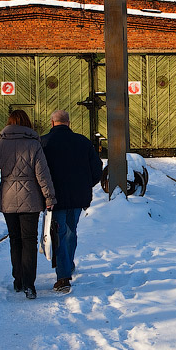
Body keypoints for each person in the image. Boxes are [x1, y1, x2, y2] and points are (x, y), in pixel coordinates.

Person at [0, 109, 56, 299]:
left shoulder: (0, 144)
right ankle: (29, 284)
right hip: (31, 199)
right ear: (27, 124)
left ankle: (18, 280)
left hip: (8, 198)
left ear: (9, 123)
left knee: (15, 240)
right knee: (29, 240)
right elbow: (42, 174)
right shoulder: (34, 144)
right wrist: (49, 197)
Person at [40, 109, 103, 294]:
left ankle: (63, 278)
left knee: (59, 235)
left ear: (52, 123)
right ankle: (68, 264)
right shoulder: (82, 141)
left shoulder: (43, 142)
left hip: (54, 198)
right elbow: (97, 170)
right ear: (69, 123)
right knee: (71, 231)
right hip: (77, 197)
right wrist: (85, 185)